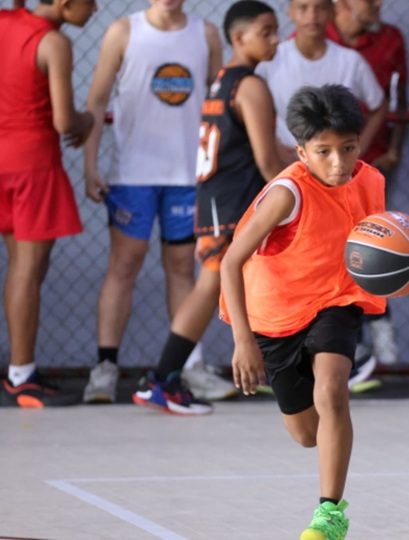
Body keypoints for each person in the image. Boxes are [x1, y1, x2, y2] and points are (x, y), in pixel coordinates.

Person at [220, 84, 386, 540]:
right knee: (307, 434)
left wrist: (407, 271)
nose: (338, 162)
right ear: (301, 150)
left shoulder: (370, 181)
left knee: (333, 390)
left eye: (348, 149)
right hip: (275, 316)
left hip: (336, 300)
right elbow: (231, 260)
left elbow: (375, 250)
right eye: (324, 152)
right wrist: (243, 340)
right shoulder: (287, 193)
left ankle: (329, 515)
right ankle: (325, 441)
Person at [131, 1, 286, 414]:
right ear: (239, 38)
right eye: (266, 31)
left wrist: (310, 155)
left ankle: (165, 379)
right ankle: (162, 380)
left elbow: (266, 150)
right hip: (232, 206)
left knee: (219, 286)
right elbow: (269, 160)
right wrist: (307, 186)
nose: (276, 39)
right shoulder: (251, 87)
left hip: (217, 200)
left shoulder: (223, 81)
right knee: (211, 287)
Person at [81, 0, 224, 404]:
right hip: (133, 176)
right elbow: (95, 102)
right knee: (123, 265)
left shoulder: (205, 34)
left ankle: (188, 366)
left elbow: (218, 108)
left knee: (183, 269)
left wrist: (218, 170)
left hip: (187, 176)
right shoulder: (122, 32)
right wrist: (90, 166)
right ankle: (105, 368)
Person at [0, 0, 97, 408]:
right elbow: (63, 122)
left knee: (19, 269)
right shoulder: (54, 42)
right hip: (33, 164)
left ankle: (21, 373)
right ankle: (21, 375)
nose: (94, 9)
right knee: (27, 269)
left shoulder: (5, 21)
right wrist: (87, 120)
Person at [327, 0, 407, 375]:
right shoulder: (315, 38)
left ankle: (382, 343)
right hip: (323, 174)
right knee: (330, 256)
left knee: (373, 250)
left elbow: (396, 98)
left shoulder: (391, 38)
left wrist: (393, 148)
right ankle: (345, 348)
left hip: (370, 169)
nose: (378, 4)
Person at [256, 0, 387, 167]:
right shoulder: (270, 60)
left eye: (320, 8)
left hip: (336, 169)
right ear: (290, 12)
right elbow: (255, 115)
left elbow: (379, 106)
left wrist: (356, 149)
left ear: (333, 12)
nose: (312, 16)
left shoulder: (350, 61)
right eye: (303, 8)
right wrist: (275, 147)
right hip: (287, 166)